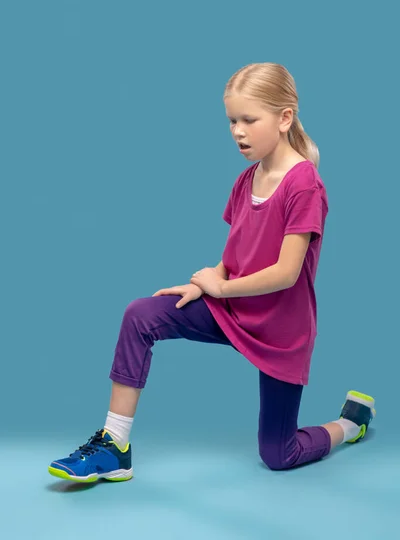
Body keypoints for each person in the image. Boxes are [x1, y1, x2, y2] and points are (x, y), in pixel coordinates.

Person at [48, 62, 376, 483]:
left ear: (284, 118)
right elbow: (237, 253)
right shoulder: (246, 180)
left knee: (278, 453)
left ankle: (351, 423)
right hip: (232, 309)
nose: (237, 131)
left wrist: (220, 285)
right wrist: (203, 285)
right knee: (140, 315)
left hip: (280, 330)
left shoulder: (304, 185)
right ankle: (115, 445)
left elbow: (286, 273)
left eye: (248, 120)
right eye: (232, 121)